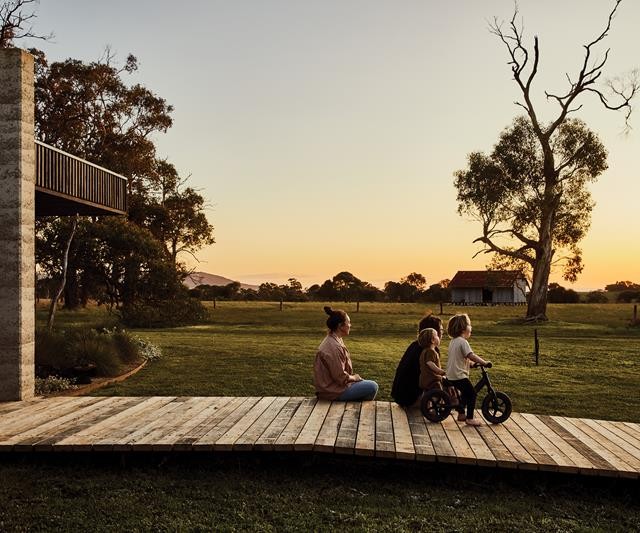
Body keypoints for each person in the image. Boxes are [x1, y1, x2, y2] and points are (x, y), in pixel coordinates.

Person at [313, 306, 378, 401]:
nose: (350, 325)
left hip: (333, 388)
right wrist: (355, 378)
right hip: (332, 392)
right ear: (340, 325)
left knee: (365, 384)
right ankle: (355, 409)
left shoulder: (334, 339)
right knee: (372, 386)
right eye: (348, 322)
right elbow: (340, 377)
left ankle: (353, 406)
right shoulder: (334, 347)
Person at [445, 313, 490, 427]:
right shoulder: (463, 342)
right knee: (472, 394)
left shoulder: (453, 341)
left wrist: (472, 365)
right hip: (459, 375)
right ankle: (470, 418)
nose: (471, 327)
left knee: (465, 394)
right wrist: (483, 362)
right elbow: (471, 355)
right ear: (464, 328)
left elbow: (461, 359)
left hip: (452, 374)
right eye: (469, 325)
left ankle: (461, 414)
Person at [391, 312, 444, 407]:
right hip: (412, 398)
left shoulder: (414, 345)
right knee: (450, 390)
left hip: (400, 396)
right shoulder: (430, 350)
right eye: (440, 330)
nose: (442, 332)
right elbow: (431, 375)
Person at [418, 327, 446, 392]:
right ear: (432, 340)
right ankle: (440, 400)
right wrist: (439, 371)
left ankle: (427, 401)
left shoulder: (424, 351)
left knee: (427, 393)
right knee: (439, 391)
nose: (438, 336)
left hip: (424, 379)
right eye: (436, 335)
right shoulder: (431, 351)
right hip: (432, 379)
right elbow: (430, 363)